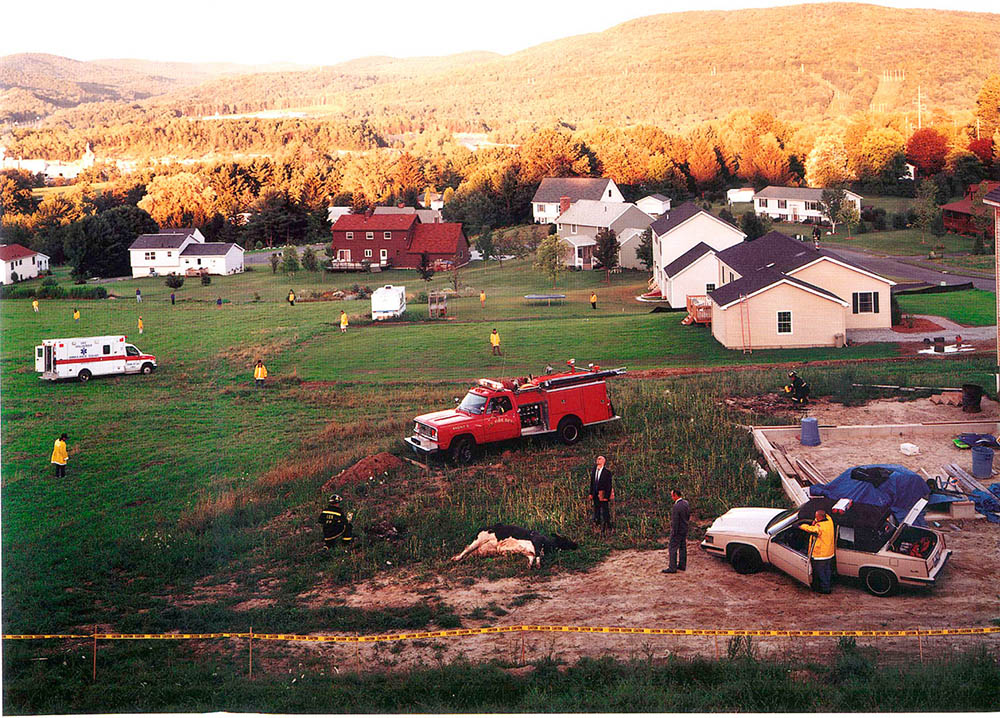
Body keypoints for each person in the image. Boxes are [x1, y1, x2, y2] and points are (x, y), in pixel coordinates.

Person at [798, 509, 835, 594]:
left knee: (820, 571)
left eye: (816, 517)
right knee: (827, 570)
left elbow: (811, 529)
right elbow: (826, 516)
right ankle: (828, 585)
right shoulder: (830, 521)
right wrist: (815, 521)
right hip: (829, 552)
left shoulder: (820, 528)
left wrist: (800, 526)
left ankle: (825, 589)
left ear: (820, 517)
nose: (815, 518)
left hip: (820, 554)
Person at [663, 489, 690, 574]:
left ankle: (672, 567)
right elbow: (688, 516)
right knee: (683, 547)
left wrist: (674, 532)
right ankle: (682, 565)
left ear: (675, 495)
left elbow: (675, 521)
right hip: (684, 529)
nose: (671, 497)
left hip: (677, 530)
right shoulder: (686, 503)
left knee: (672, 548)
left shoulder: (676, 506)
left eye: (672, 495)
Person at [588, 456, 613, 534]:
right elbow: (592, 483)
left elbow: (609, 485)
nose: (597, 460)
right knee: (596, 508)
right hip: (595, 493)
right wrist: (591, 493)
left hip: (603, 493)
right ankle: (597, 522)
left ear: (603, 461)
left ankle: (607, 524)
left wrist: (606, 496)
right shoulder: (594, 471)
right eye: (597, 459)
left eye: (600, 459)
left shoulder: (607, 472)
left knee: (605, 509)